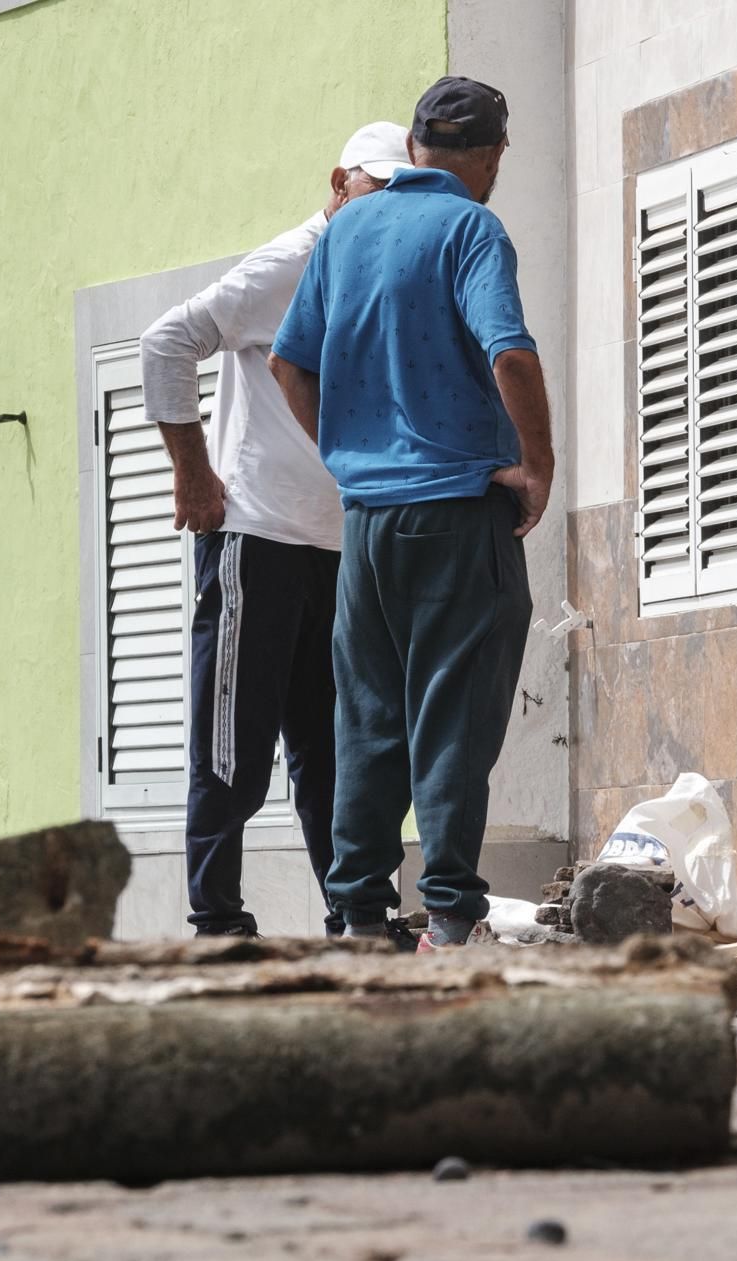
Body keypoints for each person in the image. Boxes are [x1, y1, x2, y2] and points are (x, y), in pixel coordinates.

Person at [269, 76, 552, 952]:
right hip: (457, 516)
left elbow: (289, 365)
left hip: (369, 523)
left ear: (416, 147)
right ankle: (453, 915)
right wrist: (538, 466)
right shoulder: (471, 228)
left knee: (369, 717)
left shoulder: (347, 228)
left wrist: (351, 456)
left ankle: (357, 913)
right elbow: (508, 349)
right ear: (493, 154)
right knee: (455, 718)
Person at [140, 122, 412, 939]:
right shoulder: (287, 265)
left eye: (400, 195)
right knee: (234, 739)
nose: (384, 209)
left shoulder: (386, 269)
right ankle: (217, 918)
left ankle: (357, 910)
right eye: (374, 190)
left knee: (337, 746)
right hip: (254, 534)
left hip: (340, 545)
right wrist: (194, 470)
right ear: (339, 183)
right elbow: (166, 342)